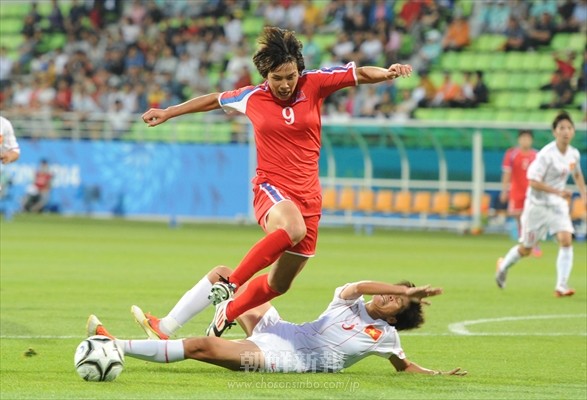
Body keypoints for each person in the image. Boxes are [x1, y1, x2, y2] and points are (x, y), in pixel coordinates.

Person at [141, 27, 413, 338]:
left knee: (278, 284)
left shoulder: (315, 84)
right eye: (277, 78)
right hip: (272, 189)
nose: (285, 84)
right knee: (292, 229)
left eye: (290, 76)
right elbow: (212, 101)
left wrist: (387, 73)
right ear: (265, 75)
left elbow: (360, 74)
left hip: (309, 197)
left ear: (300, 70)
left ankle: (221, 313)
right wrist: (169, 112)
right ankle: (226, 287)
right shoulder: (251, 97)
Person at [88, 265, 466, 375]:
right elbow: (363, 283)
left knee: (203, 348)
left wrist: (436, 376)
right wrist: (406, 289)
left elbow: (404, 366)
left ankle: (113, 346)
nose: (388, 295)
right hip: (282, 331)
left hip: (287, 360)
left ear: (400, 315)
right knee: (228, 277)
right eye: (392, 290)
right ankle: (164, 327)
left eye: (398, 299)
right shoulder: (346, 301)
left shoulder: (385, 337)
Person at [495, 112, 587, 297]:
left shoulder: (573, 154)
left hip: (557, 205)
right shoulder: (546, 154)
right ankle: (503, 266)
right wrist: (558, 191)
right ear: (554, 132)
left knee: (566, 240)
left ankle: (561, 285)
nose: (566, 132)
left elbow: (576, 174)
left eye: (569, 128)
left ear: (574, 131)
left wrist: (584, 194)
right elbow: (533, 182)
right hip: (537, 205)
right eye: (561, 128)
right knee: (526, 249)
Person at [499, 129, 540, 256]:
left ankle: (535, 244)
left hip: (532, 191)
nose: (525, 141)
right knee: (518, 216)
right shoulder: (511, 154)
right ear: (519, 140)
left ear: (531, 140)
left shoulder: (537, 155)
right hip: (516, 191)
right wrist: (504, 190)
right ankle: (524, 240)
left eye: (528, 138)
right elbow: (507, 173)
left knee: (532, 217)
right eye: (523, 138)